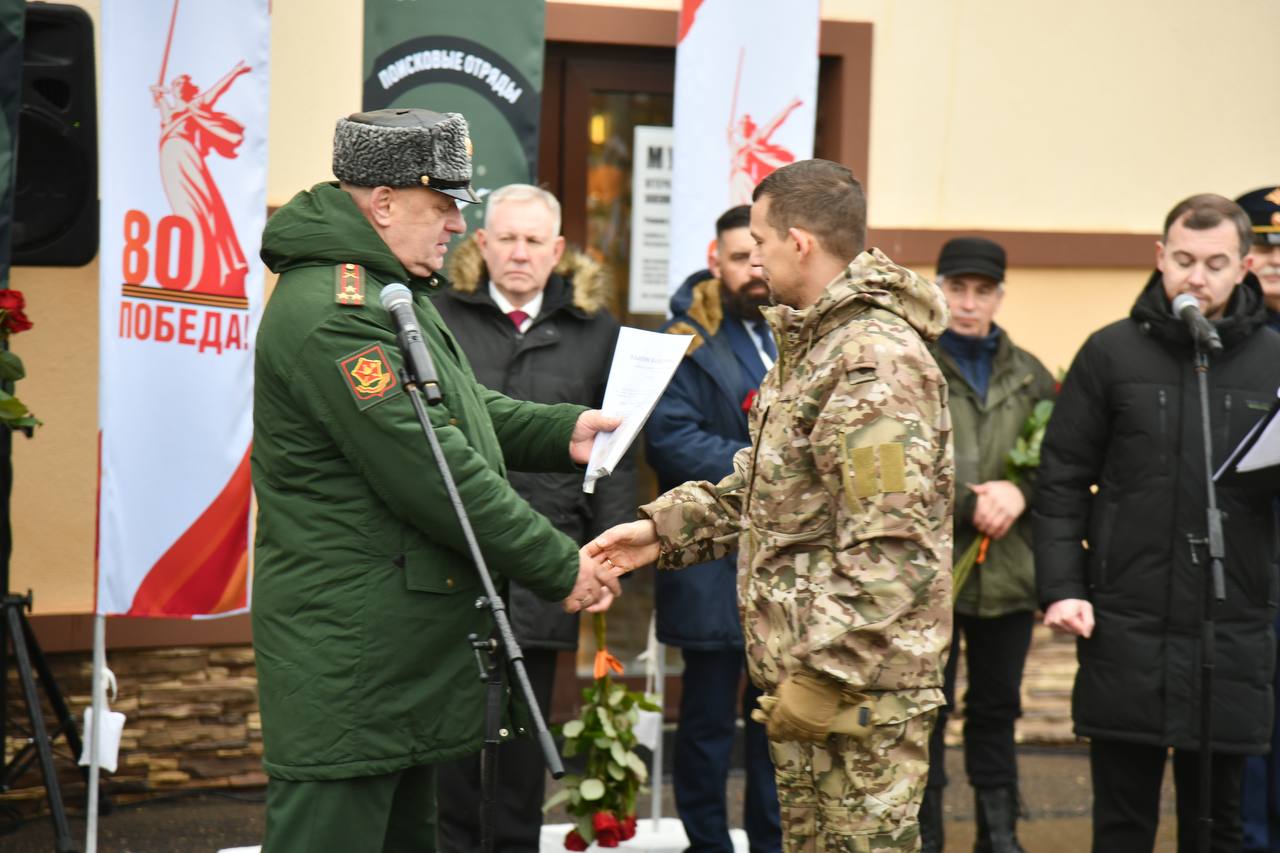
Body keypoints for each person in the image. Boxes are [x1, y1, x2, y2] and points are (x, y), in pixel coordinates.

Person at [251, 108, 621, 853]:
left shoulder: (391, 287)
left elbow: (461, 407)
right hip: (351, 662)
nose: (458, 223)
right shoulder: (337, 313)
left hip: (395, 659)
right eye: (443, 203)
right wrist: (558, 565)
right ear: (383, 202)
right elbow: (436, 471)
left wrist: (561, 431)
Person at [590, 158, 955, 851]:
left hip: (858, 697)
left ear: (800, 243)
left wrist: (824, 675)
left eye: (758, 241)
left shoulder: (870, 359)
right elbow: (770, 483)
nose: (752, 259)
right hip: (818, 692)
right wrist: (657, 530)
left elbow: (891, 547)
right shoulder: (815, 344)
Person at [1035, 194, 1280, 853]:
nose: (1195, 277)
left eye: (1214, 262)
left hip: (1232, 622)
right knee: (1122, 824)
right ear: (1159, 258)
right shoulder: (1111, 354)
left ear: (1245, 265)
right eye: (1182, 260)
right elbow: (1060, 476)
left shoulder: (1272, 361)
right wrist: (1063, 585)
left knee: (1219, 824)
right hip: (1127, 620)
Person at [431, 183, 636, 852]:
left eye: (532, 241)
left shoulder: (594, 331)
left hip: (550, 558)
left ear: (557, 251)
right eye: (505, 239)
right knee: (453, 749)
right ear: (481, 244)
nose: (518, 253)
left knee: (525, 748)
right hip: (457, 561)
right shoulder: (439, 319)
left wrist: (608, 549)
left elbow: (616, 454)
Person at [645, 204, 782, 853]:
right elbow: (670, 439)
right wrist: (765, 469)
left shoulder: (797, 330)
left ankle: (770, 839)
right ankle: (707, 842)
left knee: (774, 722)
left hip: (782, 570)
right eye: (738, 258)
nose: (753, 271)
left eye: (759, 257)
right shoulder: (685, 339)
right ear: (714, 259)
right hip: (710, 563)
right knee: (704, 725)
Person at [919, 237, 1055, 853]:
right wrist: (971, 503)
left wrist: (1019, 492)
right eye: (957, 288)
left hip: (1006, 571)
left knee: (997, 711)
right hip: (928, 576)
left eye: (981, 291)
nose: (968, 303)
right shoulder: (913, 364)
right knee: (925, 711)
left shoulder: (1032, 375)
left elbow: (1061, 463)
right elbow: (897, 465)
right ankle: (925, 833)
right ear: (938, 289)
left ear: (999, 295)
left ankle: (999, 835)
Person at [1237, 184, 1280, 853]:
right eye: (1262, 247)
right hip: (1242, 551)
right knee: (1247, 719)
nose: (1274, 260)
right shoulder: (1219, 336)